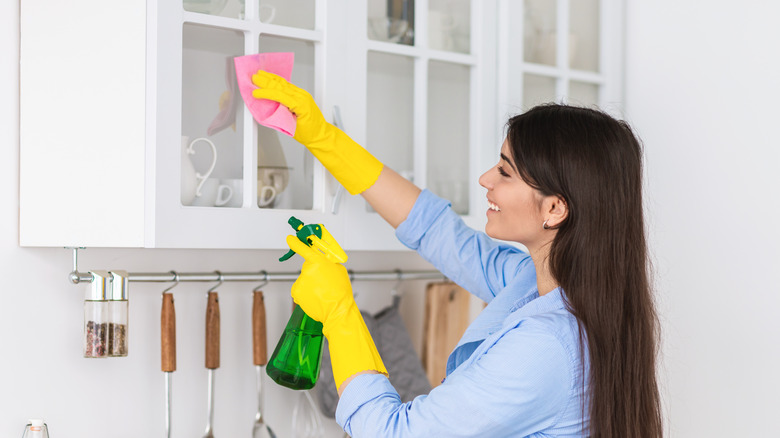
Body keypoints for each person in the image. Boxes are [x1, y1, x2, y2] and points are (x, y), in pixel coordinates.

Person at [251, 71, 663, 437]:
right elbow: (436, 230)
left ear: (555, 208)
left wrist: (341, 314)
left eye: (505, 171)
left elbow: (392, 433)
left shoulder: (545, 348)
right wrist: (324, 137)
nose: (486, 179)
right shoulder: (543, 285)